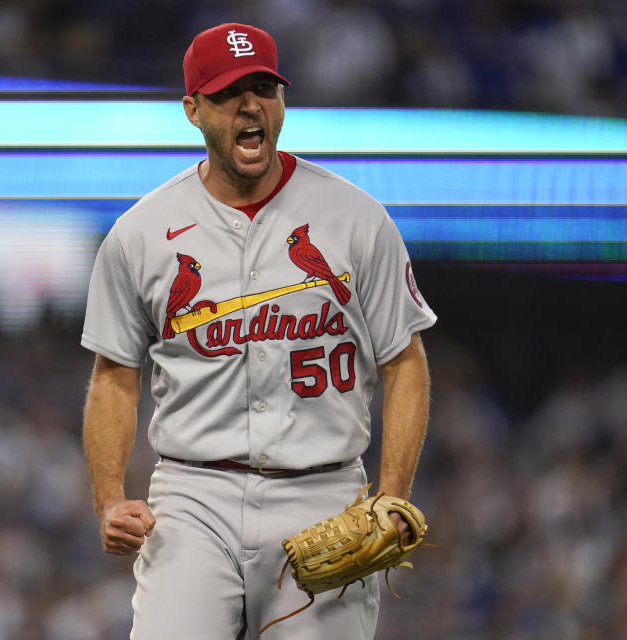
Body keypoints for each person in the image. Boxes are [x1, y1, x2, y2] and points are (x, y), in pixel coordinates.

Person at [80, 22, 436, 640]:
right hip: (194, 496)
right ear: (192, 110)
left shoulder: (355, 219)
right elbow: (114, 378)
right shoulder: (140, 234)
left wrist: (392, 494)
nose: (251, 106)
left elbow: (405, 363)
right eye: (228, 92)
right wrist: (109, 497)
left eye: (265, 89)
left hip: (323, 493)